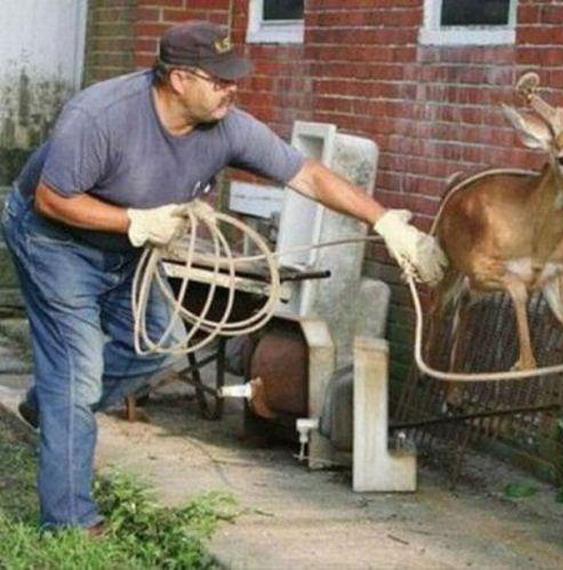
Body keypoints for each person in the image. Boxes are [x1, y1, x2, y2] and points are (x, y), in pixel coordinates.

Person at [0, 20, 446, 533]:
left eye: (234, 78)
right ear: (178, 79)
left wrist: (384, 221)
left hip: (128, 247)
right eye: (219, 80)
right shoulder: (101, 116)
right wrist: (135, 221)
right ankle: (69, 522)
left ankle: (51, 405)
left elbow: (306, 173)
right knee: (78, 372)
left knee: (161, 348)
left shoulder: (227, 126)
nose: (232, 89)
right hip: (54, 240)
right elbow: (52, 199)